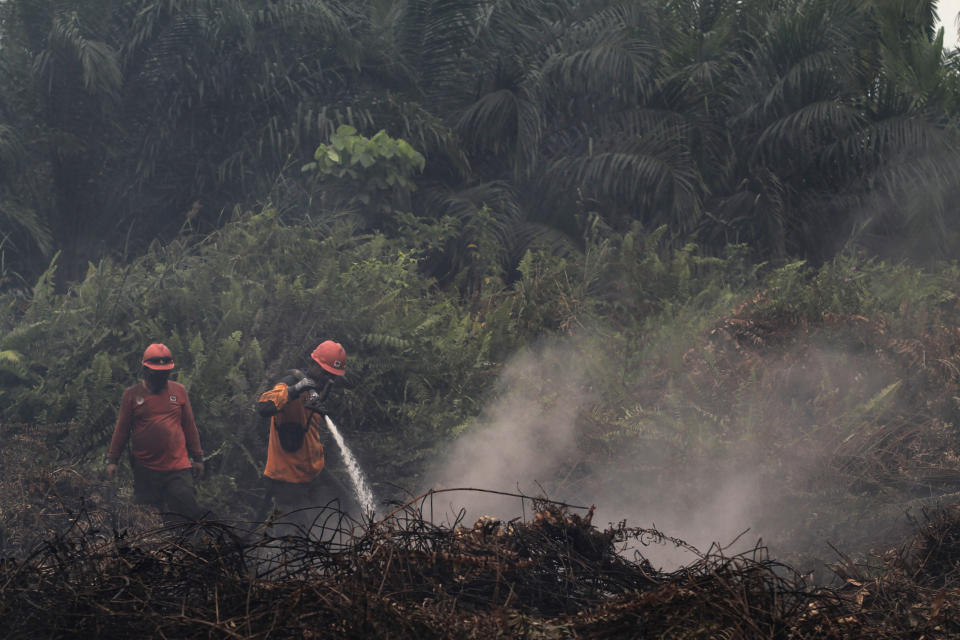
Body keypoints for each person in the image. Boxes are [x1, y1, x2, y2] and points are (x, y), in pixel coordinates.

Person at [256, 340, 358, 534]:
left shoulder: (319, 391)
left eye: (332, 376)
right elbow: (263, 407)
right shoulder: (290, 383)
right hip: (285, 478)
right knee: (295, 533)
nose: (327, 379)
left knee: (348, 507)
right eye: (325, 373)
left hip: (314, 472)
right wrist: (296, 390)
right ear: (313, 365)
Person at [106, 343, 205, 522]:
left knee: (188, 513)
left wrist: (197, 457)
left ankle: (196, 546)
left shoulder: (179, 391)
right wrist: (113, 460)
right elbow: (122, 429)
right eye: (156, 373)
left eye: (164, 373)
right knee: (146, 518)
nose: (160, 377)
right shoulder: (131, 395)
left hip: (178, 468)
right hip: (146, 469)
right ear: (145, 370)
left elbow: (189, 426)